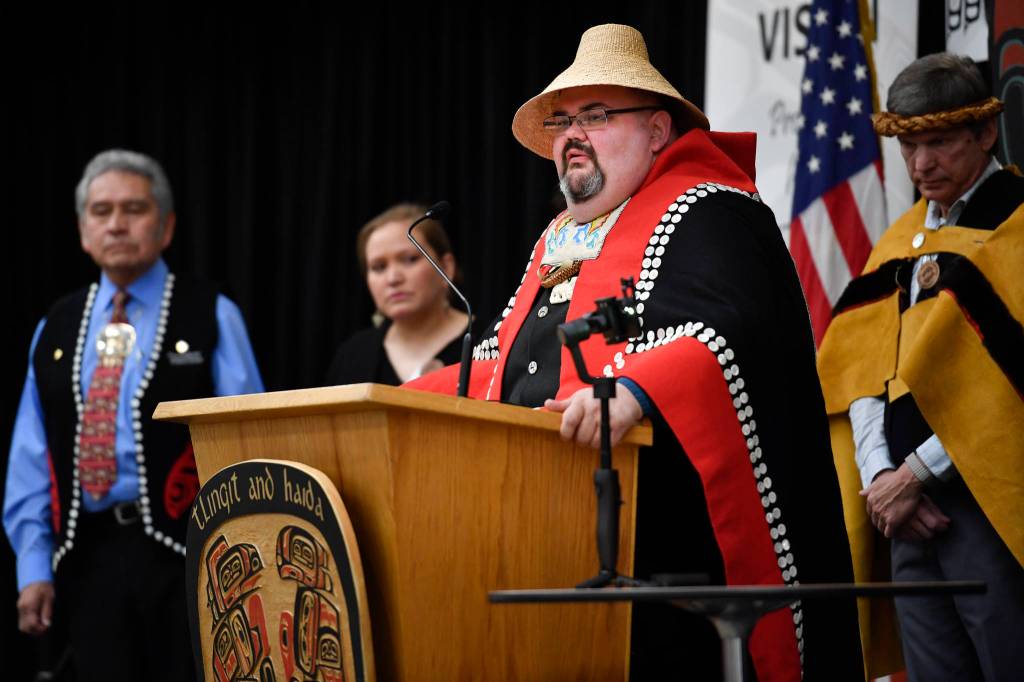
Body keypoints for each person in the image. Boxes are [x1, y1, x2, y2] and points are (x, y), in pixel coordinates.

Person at [409, 24, 862, 680]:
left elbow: (731, 328)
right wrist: (399, 405)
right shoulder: (561, 238)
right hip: (544, 518)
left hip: (668, 539)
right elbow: (507, 358)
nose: (572, 134)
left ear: (656, 131)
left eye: (596, 115)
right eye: (563, 121)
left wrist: (634, 387)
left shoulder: (713, 209)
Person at [3, 149, 265, 681]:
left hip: (194, 558)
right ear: (82, 231)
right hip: (87, 557)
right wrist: (33, 565)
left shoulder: (211, 312)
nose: (117, 225)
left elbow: (250, 444)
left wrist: (247, 556)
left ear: (166, 227)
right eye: (101, 212)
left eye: (134, 209)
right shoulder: (56, 325)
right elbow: (31, 456)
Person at [818, 53, 1024, 681]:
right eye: (909, 147)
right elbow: (860, 371)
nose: (921, 165)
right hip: (902, 518)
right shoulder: (895, 238)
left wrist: (917, 475)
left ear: (984, 134)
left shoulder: (1017, 227)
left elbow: (1007, 385)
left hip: (989, 508)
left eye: (938, 143)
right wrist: (883, 476)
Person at [324, 203, 470, 386]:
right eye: (378, 267)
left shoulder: (489, 343)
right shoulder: (352, 356)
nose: (393, 279)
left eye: (409, 259)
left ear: (446, 267)